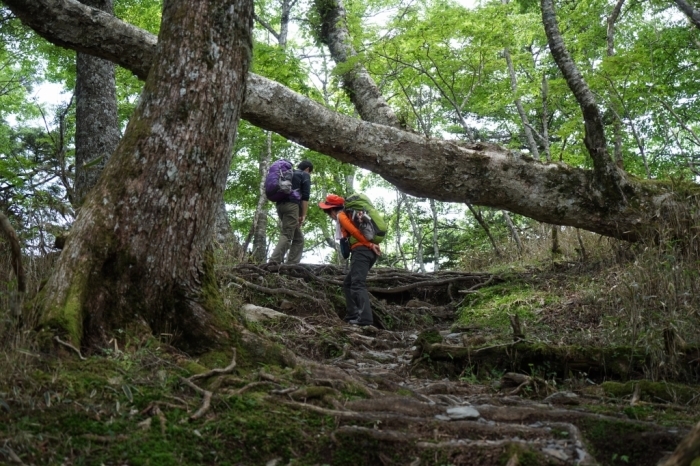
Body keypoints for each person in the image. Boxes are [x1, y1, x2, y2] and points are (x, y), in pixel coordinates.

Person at [319, 194, 381, 326]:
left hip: (362, 251)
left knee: (357, 283)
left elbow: (355, 232)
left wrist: (370, 245)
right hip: (366, 252)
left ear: (332, 209)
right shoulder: (350, 215)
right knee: (348, 284)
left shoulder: (342, 215)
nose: (329, 216)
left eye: (328, 212)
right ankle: (352, 314)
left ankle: (365, 319)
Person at [269, 160, 313, 264]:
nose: (310, 174)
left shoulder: (288, 174)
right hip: (292, 207)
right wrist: (303, 214)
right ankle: (273, 262)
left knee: (298, 239)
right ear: (307, 169)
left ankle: (292, 264)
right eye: (311, 172)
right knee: (287, 235)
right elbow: (305, 197)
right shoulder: (304, 175)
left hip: (280, 206)